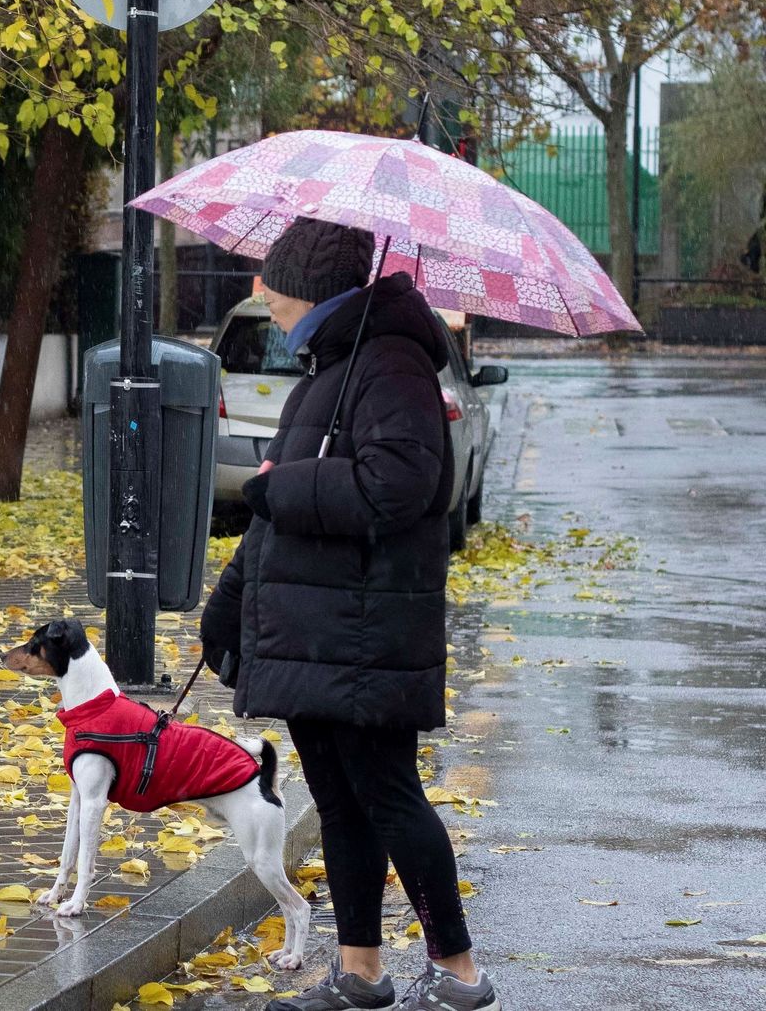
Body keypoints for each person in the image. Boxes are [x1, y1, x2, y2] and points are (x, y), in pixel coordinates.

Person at [200, 217, 500, 1011]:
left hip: (366, 631)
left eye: (273, 281)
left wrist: (282, 487)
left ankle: (460, 972)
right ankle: (361, 971)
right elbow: (273, 517)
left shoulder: (391, 364)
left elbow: (398, 486)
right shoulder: (330, 367)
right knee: (339, 803)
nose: (263, 293)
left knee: (388, 795)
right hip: (315, 629)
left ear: (306, 288)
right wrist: (227, 606)